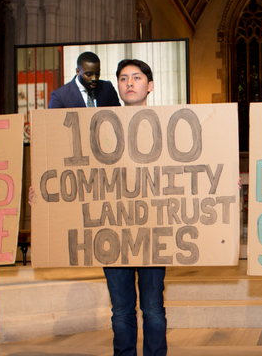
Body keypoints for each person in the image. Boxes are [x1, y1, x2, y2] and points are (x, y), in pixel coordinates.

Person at [104, 58, 165, 356]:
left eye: (137, 77)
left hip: (153, 231)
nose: (129, 83)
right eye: (124, 78)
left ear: (150, 86)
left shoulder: (167, 127)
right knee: (121, 311)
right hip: (113, 230)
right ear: (117, 86)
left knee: (153, 308)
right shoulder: (100, 128)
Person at [49, 51, 121, 108]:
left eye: (97, 73)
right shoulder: (60, 96)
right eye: (89, 74)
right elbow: (54, 123)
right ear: (78, 71)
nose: (94, 78)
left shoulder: (107, 88)